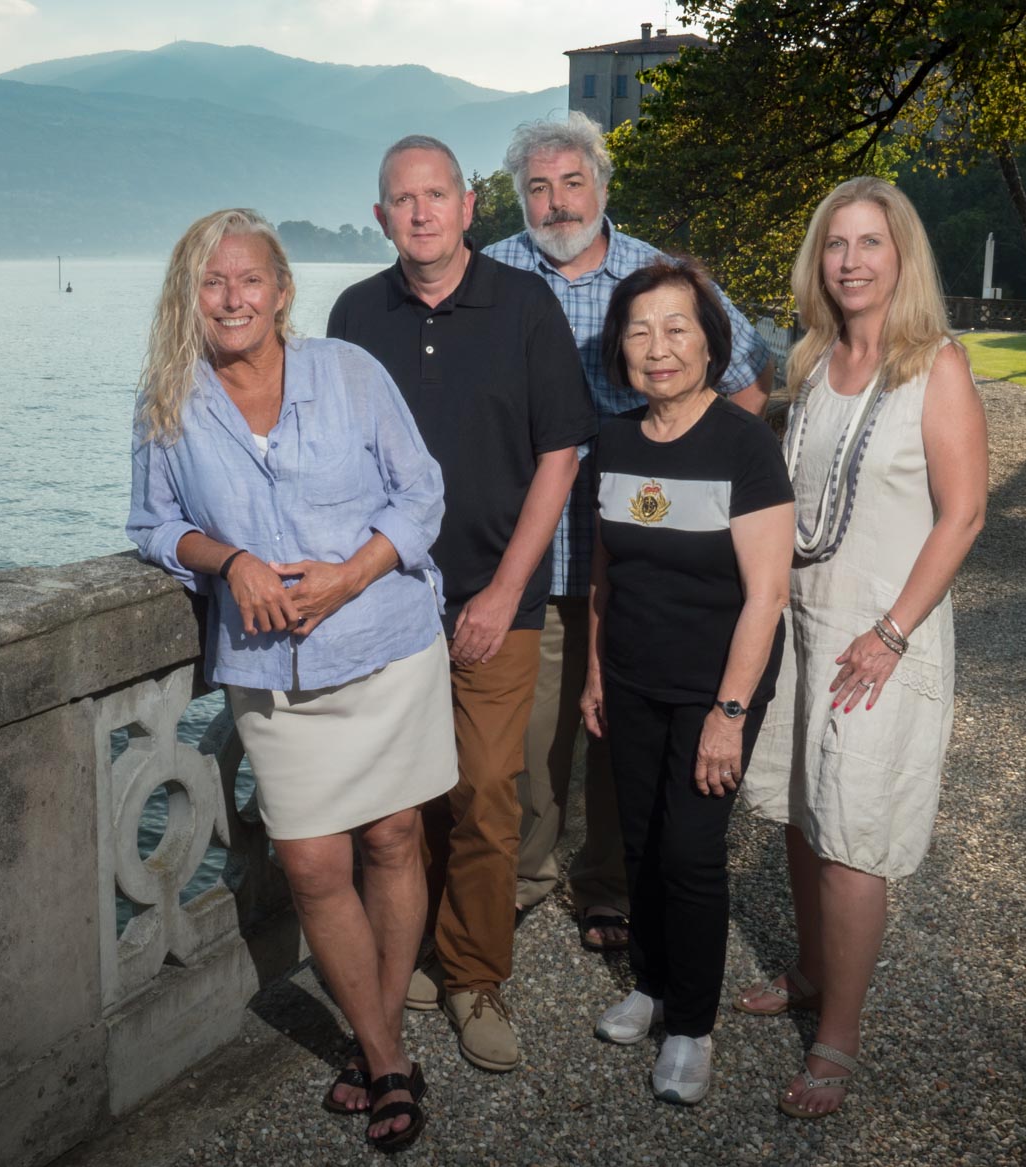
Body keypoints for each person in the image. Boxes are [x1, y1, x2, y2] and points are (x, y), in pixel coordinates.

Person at [127, 208, 455, 1151]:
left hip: (385, 642)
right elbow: (151, 524)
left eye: (249, 280)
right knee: (314, 863)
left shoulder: (349, 371)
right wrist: (230, 562)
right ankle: (388, 1051)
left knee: (394, 835)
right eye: (211, 282)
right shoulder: (167, 400)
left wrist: (352, 573)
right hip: (271, 670)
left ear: (281, 291)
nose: (232, 298)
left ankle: (377, 1046)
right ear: (190, 296)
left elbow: (421, 489)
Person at [328, 136, 595, 1072]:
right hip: (389, 605)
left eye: (435, 194)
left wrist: (507, 589)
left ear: (469, 203)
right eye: (402, 200)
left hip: (497, 599)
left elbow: (560, 452)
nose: (421, 213)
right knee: (406, 798)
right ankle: (426, 946)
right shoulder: (355, 313)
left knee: (487, 791)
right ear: (382, 217)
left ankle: (475, 973)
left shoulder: (525, 305)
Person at [485, 113, 774, 951]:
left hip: (639, 567)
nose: (557, 200)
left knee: (621, 748)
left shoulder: (656, 275)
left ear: (603, 188)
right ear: (520, 198)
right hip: (536, 564)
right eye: (538, 186)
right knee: (534, 748)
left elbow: (748, 378)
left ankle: (608, 885)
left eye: (572, 182)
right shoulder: (493, 274)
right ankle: (530, 875)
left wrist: (704, 469)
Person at [736, 176, 988, 1119]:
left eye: (869, 243)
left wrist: (890, 634)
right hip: (803, 620)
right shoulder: (809, 361)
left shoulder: (938, 365)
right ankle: (807, 972)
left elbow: (963, 516)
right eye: (835, 245)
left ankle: (837, 1037)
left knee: (852, 838)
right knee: (803, 811)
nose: (850, 261)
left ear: (901, 256)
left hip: (883, 632)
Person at [579, 256, 794, 1105]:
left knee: (692, 852)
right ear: (620, 350)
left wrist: (729, 714)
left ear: (710, 345)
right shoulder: (616, 440)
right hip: (631, 677)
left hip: (717, 686)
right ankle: (652, 983)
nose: (657, 348)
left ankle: (694, 1027)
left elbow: (767, 593)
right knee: (639, 841)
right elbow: (607, 574)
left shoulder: (745, 445)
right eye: (639, 331)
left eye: (677, 329)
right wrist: (596, 672)